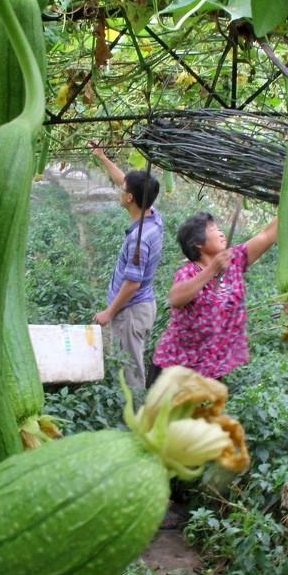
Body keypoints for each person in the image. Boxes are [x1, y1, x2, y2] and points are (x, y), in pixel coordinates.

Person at [152, 211, 279, 380]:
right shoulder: (188, 272)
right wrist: (212, 269)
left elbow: (267, 235)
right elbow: (175, 299)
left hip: (211, 372)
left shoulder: (234, 260)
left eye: (218, 227)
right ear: (198, 243)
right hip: (176, 371)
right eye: (212, 229)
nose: (220, 232)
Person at [88, 141, 162, 400]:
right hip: (142, 307)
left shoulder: (138, 239)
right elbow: (126, 181)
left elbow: (132, 283)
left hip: (131, 312)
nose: (120, 189)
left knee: (130, 372)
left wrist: (109, 312)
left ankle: (137, 423)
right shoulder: (152, 216)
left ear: (130, 198)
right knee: (129, 363)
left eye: (123, 190)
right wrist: (102, 157)